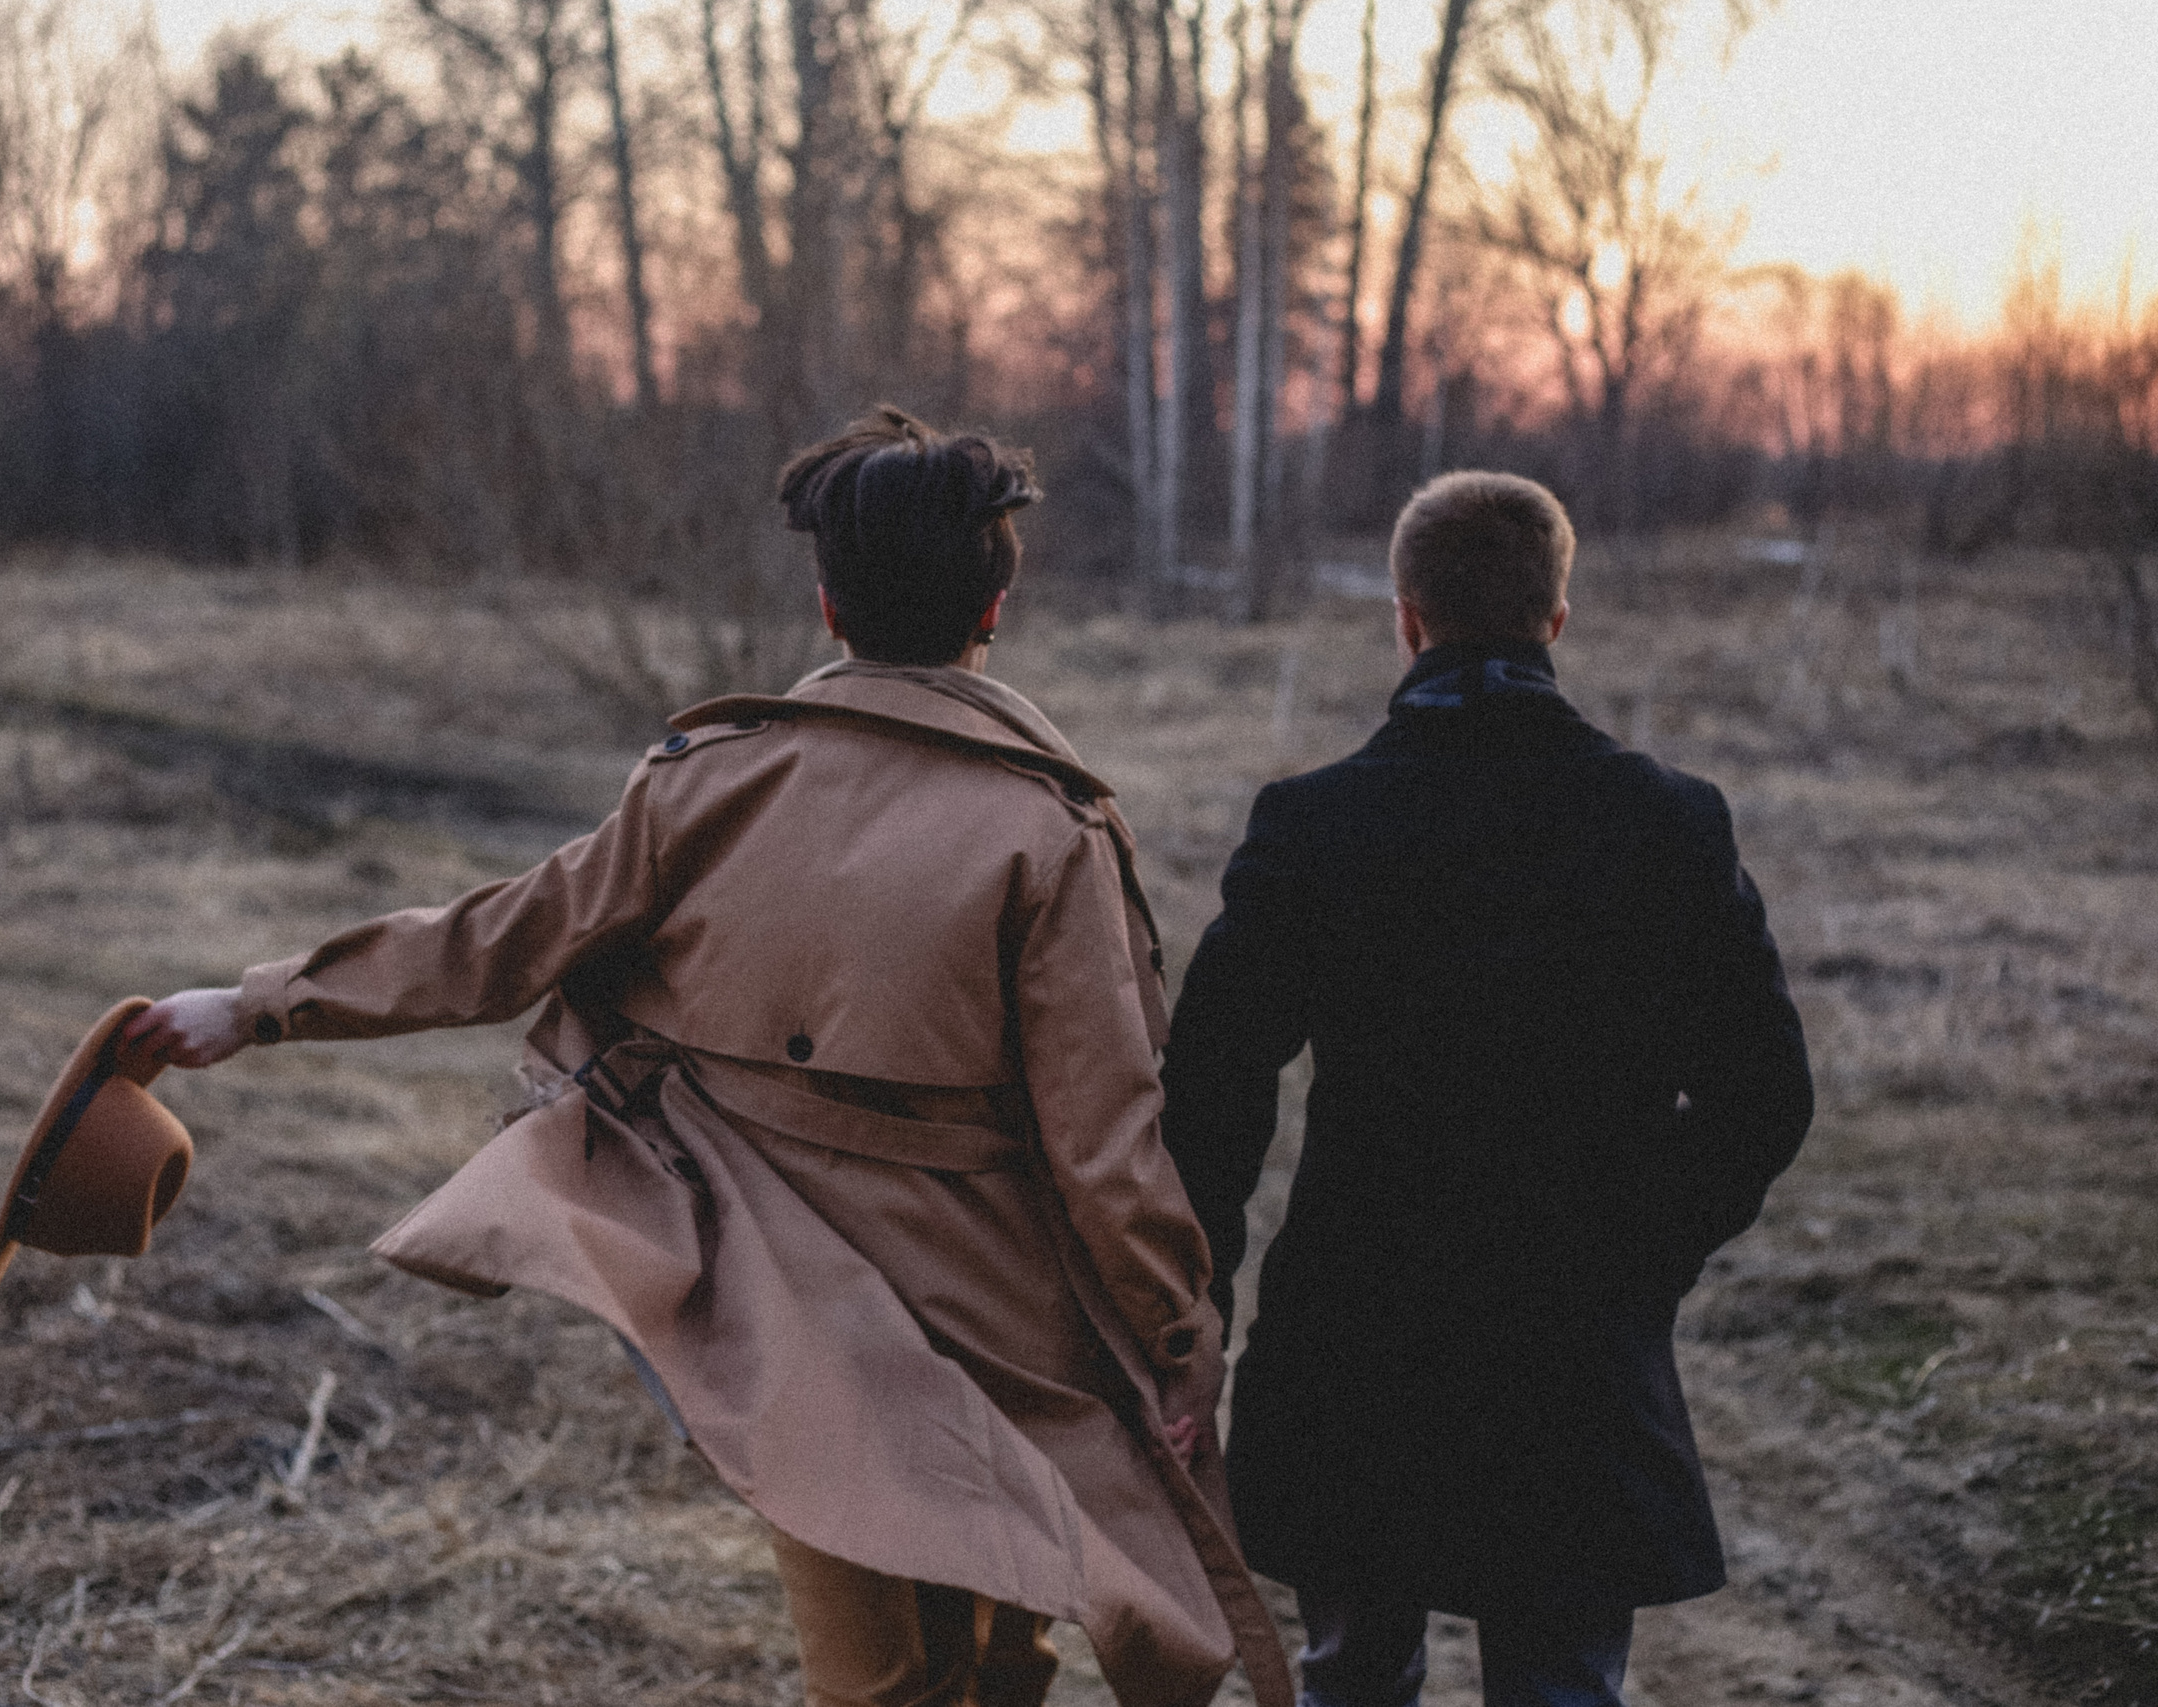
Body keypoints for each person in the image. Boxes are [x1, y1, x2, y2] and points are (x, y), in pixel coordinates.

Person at [125, 407, 1292, 1707]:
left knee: (923, 1665)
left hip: (772, 1296)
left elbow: (499, 937)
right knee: (969, 1651)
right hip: (991, 1317)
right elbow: (1105, 1141)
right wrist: (1177, 1341)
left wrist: (259, 1002)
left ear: (826, 602)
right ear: (996, 608)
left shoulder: (709, 780)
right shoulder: (1050, 829)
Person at [1158, 472, 1814, 1707]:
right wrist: (1642, 1251)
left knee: (1349, 1679)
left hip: (1358, 1329)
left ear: (1404, 618)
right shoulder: (1666, 824)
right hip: (1572, 1340)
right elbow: (1764, 1097)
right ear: (1555, 619)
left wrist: (1194, 1302)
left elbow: (1212, 1084)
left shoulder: (1316, 825)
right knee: (1563, 1684)